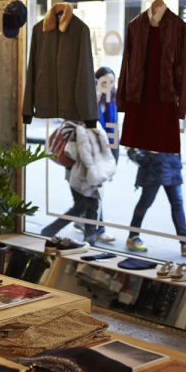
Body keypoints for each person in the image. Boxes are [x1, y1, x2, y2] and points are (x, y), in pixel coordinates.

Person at [42, 121, 116, 246]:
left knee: (90, 205)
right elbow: (82, 154)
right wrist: (95, 171)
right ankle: (49, 231)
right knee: (83, 206)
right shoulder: (78, 127)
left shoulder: (80, 125)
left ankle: (89, 241)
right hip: (81, 174)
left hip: (83, 173)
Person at [124, 149, 186, 255]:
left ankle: (185, 243)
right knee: (145, 202)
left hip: (171, 164)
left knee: (177, 204)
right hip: (154, 166)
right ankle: (132, 236)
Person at [73, 67, 119, 243]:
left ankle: (84, 221)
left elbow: (114, 131)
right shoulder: (89, 104)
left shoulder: (112, 103)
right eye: (105, 82)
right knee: (95, 192)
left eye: (112, 82)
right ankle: (98, 229)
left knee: (93, 192)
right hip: (89, 156)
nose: (109, 85)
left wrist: (113, 158)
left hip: (104, 153)